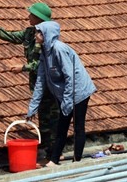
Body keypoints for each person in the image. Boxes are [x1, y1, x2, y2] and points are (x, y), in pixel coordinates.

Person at [0, 2, 59, 161]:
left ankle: (55, 154)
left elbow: (45, 63)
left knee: (53, 120)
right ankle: (49, 152)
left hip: (51, 85)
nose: (28, 17)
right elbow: (11, 36)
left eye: (31, 15)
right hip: (38, 85)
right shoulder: (29, 33)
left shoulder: (48, 38)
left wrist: (23, 67)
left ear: (39, 19)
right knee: (44, 121)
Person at [26, 20, 96, 167]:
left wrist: (68, 101)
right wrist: (32, 107)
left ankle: (77, 161)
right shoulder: (44, 52)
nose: (36, 35)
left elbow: (70, 76)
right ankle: (54, 160)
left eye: (39, 33)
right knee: (61, 126)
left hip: (79, 91)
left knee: (78, 126)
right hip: (63, 93)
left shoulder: (59, 49)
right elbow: (40, 81)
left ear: (47, 34)